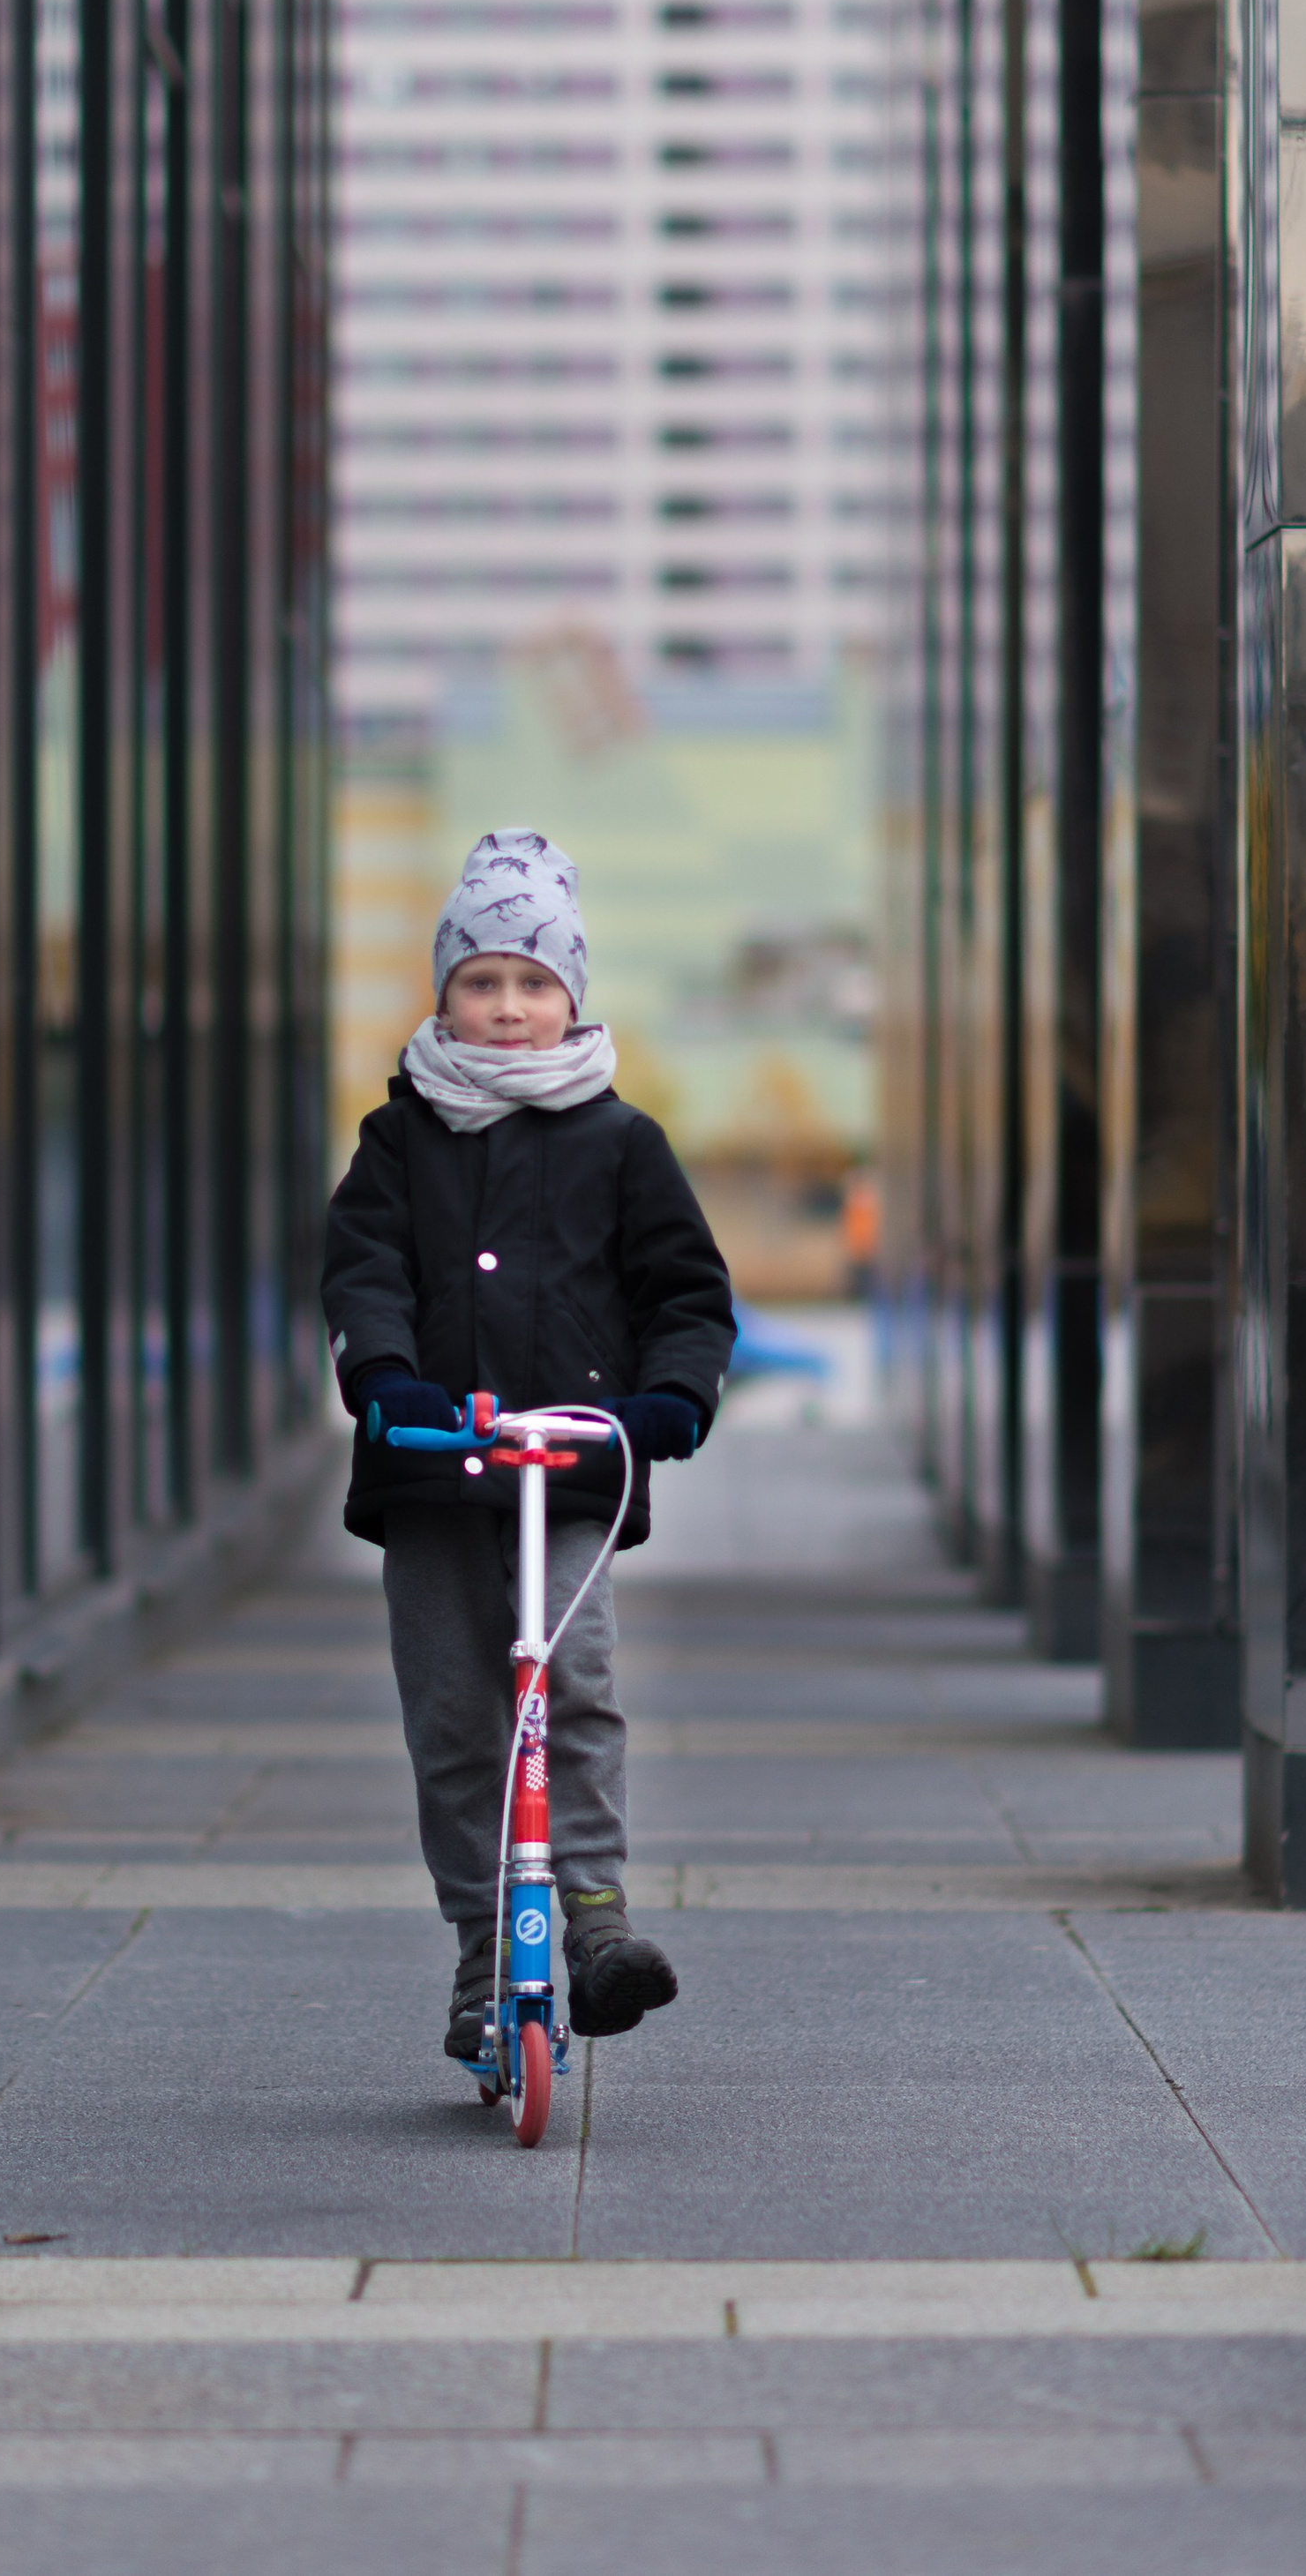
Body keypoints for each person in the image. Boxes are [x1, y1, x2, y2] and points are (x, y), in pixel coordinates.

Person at [322, 827, 738, 2060]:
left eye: (534, 983)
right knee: (456, 1720)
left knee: (570, 1689)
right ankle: (480, 1950)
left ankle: (596, 1919)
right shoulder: (399, 1141)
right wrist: (384, 1376)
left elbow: (687, 1295)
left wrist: (672, 1399)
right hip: (433, 1474)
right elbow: (364, 1273)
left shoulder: (622, 1143)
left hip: (568, 1478)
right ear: (446, 994)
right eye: (481, 982)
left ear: (572, 998)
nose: (508, 1007)